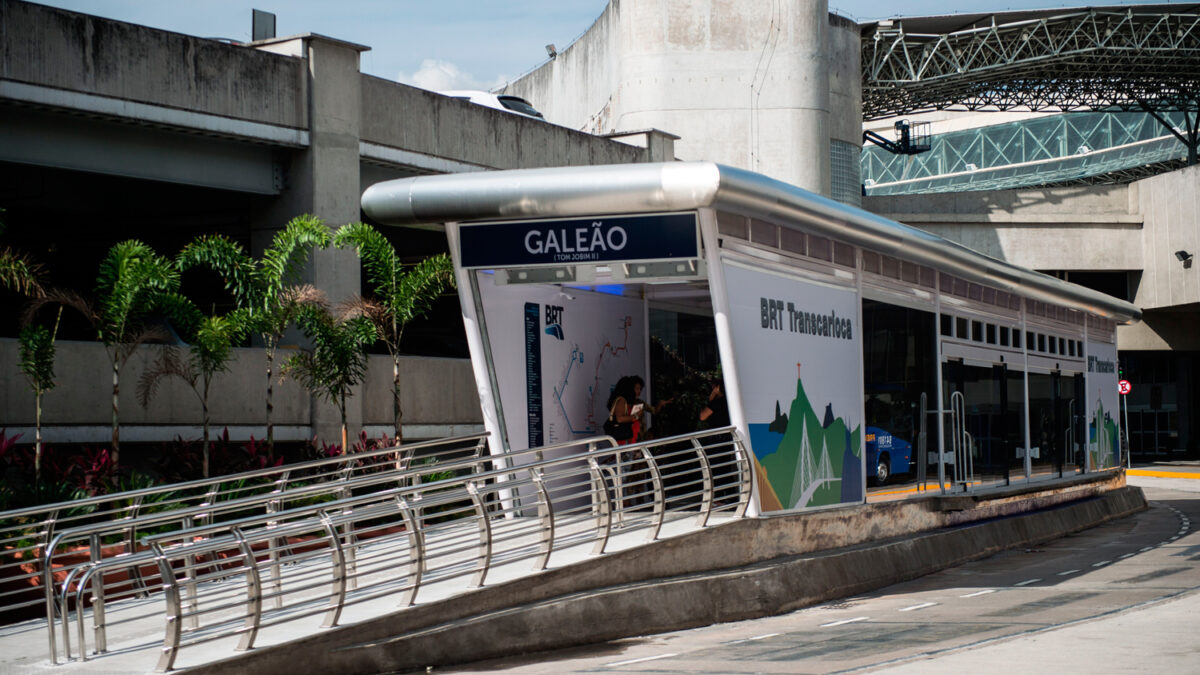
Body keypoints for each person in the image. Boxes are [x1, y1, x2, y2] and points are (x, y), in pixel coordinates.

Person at [606, 376, 643, 445]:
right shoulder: (621, 400)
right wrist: (636, 416)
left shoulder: (625, 401)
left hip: (626, 439)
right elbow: (620, 419)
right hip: (624, 440)